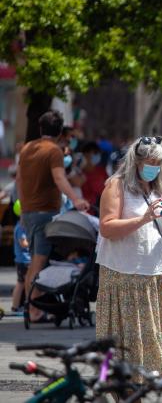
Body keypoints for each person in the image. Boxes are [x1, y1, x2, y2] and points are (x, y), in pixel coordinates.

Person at [96, 135, 162, 382]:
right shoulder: (117, 185)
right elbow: (107, 227)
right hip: (123, 276)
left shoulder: (161, 188)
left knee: (151, 338)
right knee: (126, 342)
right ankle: (127, 391)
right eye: (149, 162)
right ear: (136, 162)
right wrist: (142, 219)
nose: (154, 168)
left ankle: (143, 389)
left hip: (154, 275)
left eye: (158, 163)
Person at [16, 110, 89, 323]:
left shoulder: (28, 148)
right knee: (38, 262)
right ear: (59, 132)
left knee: (37, 261)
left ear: (40, 128)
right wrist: (76, 199)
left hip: (28, 212)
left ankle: (33, 307)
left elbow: (20, 179)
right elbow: (59, 178)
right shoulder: (54, 151)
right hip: (45, 213)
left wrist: (23, 209)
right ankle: (33, 309)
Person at [11, 201, 29, 313]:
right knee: (24, 283)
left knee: (22, 282)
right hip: (24, 260)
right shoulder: (21, 227)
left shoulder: (21, 226)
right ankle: (17, 306)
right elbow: (23, 243)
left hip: (23, 259)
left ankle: (16, 306)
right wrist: (33, 241)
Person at [80, 141, 108, 210]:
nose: (97, 155)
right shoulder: (79, 173)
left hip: (99, 209)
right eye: (95, 153)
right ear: (85, 154)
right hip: (84, 209)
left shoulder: (101, 170)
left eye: (98, 153)